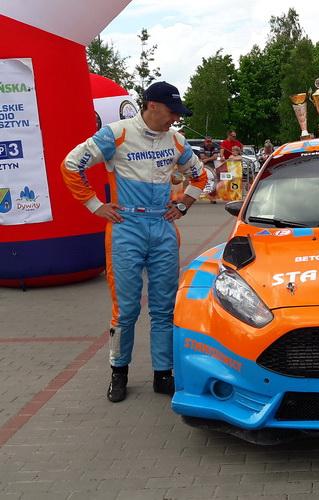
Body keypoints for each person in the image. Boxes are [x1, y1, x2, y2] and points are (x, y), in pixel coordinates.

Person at [60, 81, 207, 403]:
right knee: (126, 309)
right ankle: (119, 372)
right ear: (152, 106)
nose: (175, 119)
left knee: (164, 308)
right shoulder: (117, 134)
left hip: (162, 227)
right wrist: (95, 205)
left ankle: (163, 374)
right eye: (172, 112)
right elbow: (71, 164)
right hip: (126, 228)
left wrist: (184, 204)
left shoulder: (176, 140)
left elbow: (200, 176)